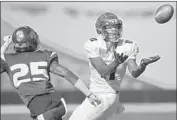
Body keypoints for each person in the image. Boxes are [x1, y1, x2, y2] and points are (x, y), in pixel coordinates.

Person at [69, 12, 160, 120]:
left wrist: (143, 65)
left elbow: (134, 73)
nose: (113, 30)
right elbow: (103, 72)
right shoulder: (94, 44)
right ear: (100, 30)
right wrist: (116, 62)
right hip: (96, 95)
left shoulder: (128, 46)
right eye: (109, 27)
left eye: (115, 26)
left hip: (106, 96)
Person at [0, 26, 101, 120]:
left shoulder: (7, 59)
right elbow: (66, 73)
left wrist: (5, 45)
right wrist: (89, 94)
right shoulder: (45, 55)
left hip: (39, 107)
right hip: (56, 102)